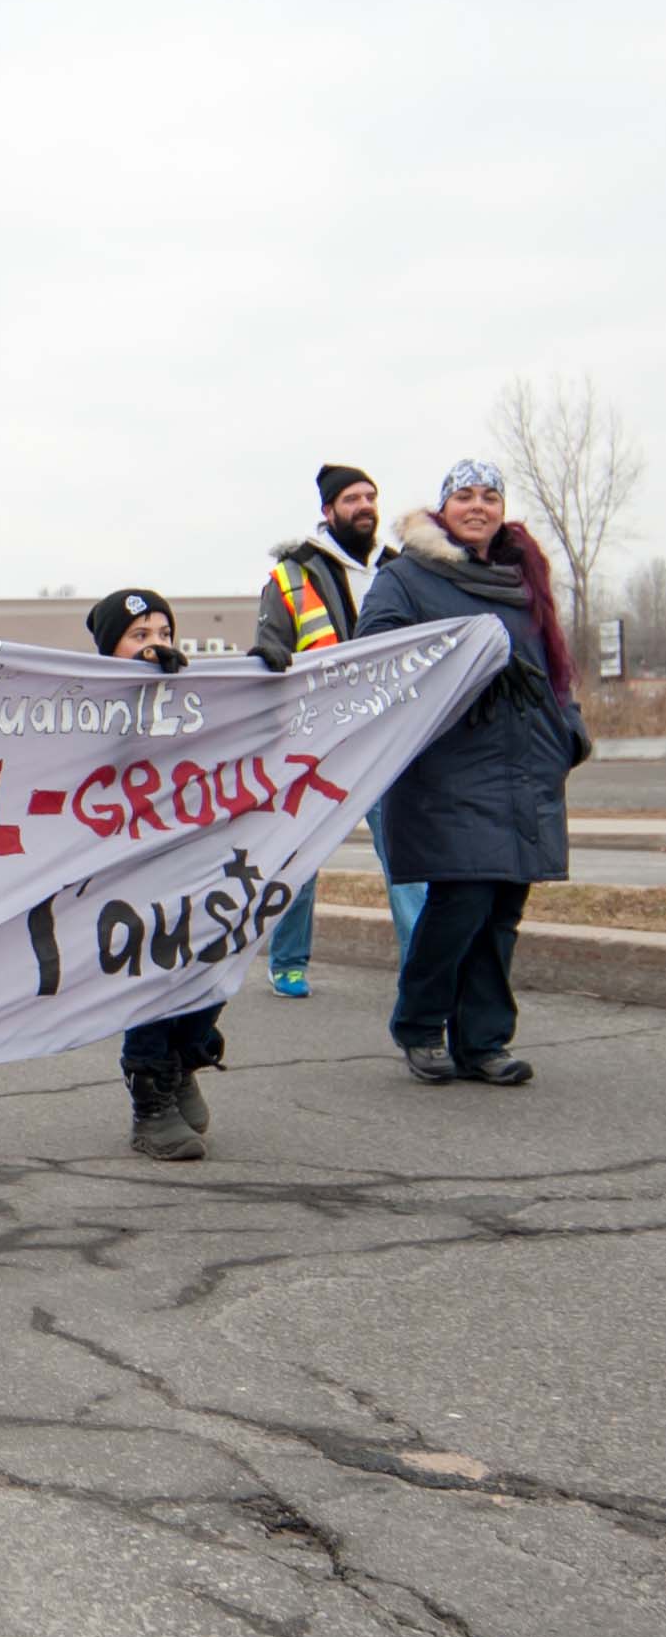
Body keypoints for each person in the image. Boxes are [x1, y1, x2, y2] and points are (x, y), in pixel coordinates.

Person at [354, 460, 592, 1087]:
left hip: (526, 763)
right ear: (443, 508)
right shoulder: (406, 577)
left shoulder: (523, 577)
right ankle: (420, 1025)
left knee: (503, 906)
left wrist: (569, 728)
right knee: (462, 900)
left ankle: (483, 1041)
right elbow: (375, 654)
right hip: (449, 763)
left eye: (489, 496)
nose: (478, 506)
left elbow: (554, 666)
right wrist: (467, 659)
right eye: (464, 495)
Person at [256, 463, 423, 997]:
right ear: (328, 511)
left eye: (370, 496)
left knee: (407, 858)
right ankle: (287, 960)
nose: (364, 505)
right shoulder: (292, 575)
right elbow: (271, 651)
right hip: (318, 743)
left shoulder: (402, 570)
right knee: (299, 857)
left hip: (386, 738)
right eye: (351, 498)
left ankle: (423, 972)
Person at [86, 589, 226, 1159]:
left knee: (215, 957)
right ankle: (149, 1096)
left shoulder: (187, 698)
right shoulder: (84, 705)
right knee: (156, 969)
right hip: (129, 864)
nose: (156, 645)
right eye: (139, 636)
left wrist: (266, 674)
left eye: (164, 634)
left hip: (193, 853)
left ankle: (184, 1056)